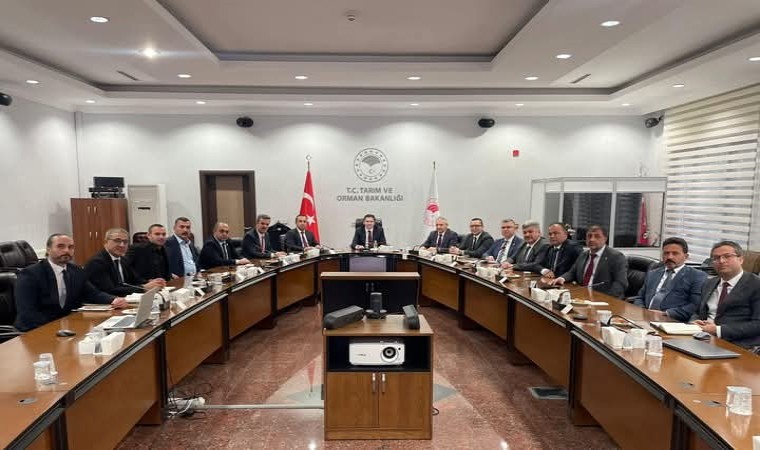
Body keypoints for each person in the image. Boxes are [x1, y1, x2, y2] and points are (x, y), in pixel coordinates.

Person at [14, 234, 128, 331]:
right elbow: (28, 314)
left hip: (65, 328)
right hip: (35, 331)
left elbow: (93, 294)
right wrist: (58, 328)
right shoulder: (30, 274)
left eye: (71, 247)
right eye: (60, 246)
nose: (66, 251)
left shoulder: (76, 271)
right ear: (48, 250)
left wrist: (114, 300)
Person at [695, 241, 760, 349]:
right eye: (716, 258)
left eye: (727, 256)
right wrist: (695, 322)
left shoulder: (756, 285)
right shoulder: (709, 283)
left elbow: (758, 325)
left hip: (739, 345)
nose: (721, 261)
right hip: (703, 339)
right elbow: (698, 311)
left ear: (740, 259)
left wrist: (718, 330)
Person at [631, 237, 706, 321]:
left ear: (686, 256)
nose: (669, 257)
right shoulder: (653, 273)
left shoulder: (696, 276)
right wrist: (643, 311)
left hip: (672, 321)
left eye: (675, 253)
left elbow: (694, 305)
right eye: (666, 253)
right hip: (645, 318)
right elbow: (640, 297)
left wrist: (666, 314)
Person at [551, 224, 628, 298]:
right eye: (589, 236)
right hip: (582, 296)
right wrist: (562, 278)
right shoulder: (583, 254)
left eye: (597, 236)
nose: (592, 239)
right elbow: (572, 272)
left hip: (604, 299)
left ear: (605, 239)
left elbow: (620, 283)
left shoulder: (616, 257)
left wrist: (606, 299)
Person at [85, 228, 166, 296]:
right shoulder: (97, 262)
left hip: (123, 300)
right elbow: (110, 290)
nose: (122, 245)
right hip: (103, 304)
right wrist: (143, 288)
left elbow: (135, 280)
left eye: (125, 242)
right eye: (117, 240)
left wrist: (153, 283)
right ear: (106, 242)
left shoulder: (123, 260)